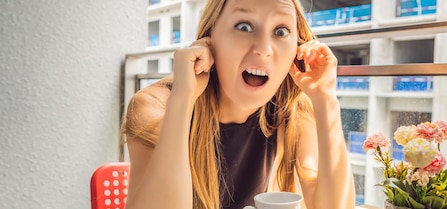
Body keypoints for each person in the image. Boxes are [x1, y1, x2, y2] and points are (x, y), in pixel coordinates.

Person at [121, 0, 355, 208]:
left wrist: (325, 99)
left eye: (281, 31)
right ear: (209, 39)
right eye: (244, 27)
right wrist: (183, 99)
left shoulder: (291, 112)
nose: (263, 49)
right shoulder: (154, 106)